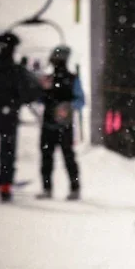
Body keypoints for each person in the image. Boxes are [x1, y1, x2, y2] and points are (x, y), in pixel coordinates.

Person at [36, 45, 84, 201]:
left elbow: (80, 100)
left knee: (66, 156)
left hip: (63, 125)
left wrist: (67, 107)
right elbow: (39, 98)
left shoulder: (71, 78)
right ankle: (48, 187)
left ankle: (72, 188)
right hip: (51, 123)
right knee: (49, 157)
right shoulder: (51, 78)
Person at [0, 31, 42, 202]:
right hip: (9, 116)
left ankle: (5, 183)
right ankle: (6, 186)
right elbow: (31, 91)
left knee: (7, 151)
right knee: (8, 152)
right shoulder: (17, 71)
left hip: (6, 112)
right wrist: (16, 102)